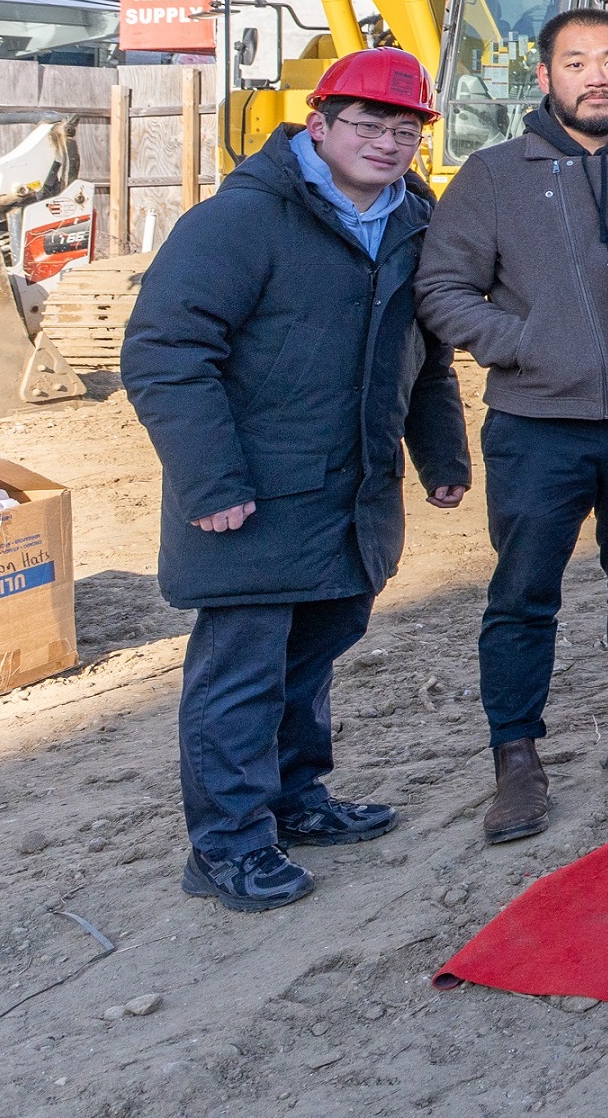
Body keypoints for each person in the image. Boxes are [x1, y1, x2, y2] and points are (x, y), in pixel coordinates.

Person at [124, 49, 469, 912]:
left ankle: (294, 798)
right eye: (368, 124)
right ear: (317, 125)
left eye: (404, 130)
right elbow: (165, 352)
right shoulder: (241, 220)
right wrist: (211, 482)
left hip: (349, 492)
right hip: (253, 495)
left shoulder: (411, 221)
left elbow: (423, 358)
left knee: (312, 652)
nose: (386, 143)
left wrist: (442, 457)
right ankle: (228, 844)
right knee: (241, 672)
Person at [416, 5, 608, 847]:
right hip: (535, 425)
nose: (596, 76)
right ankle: (516, 760)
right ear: (544, 77)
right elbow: (442, 288)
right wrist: (524, 343)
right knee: (522, 594)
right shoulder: (494, 174)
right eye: (576, 62)